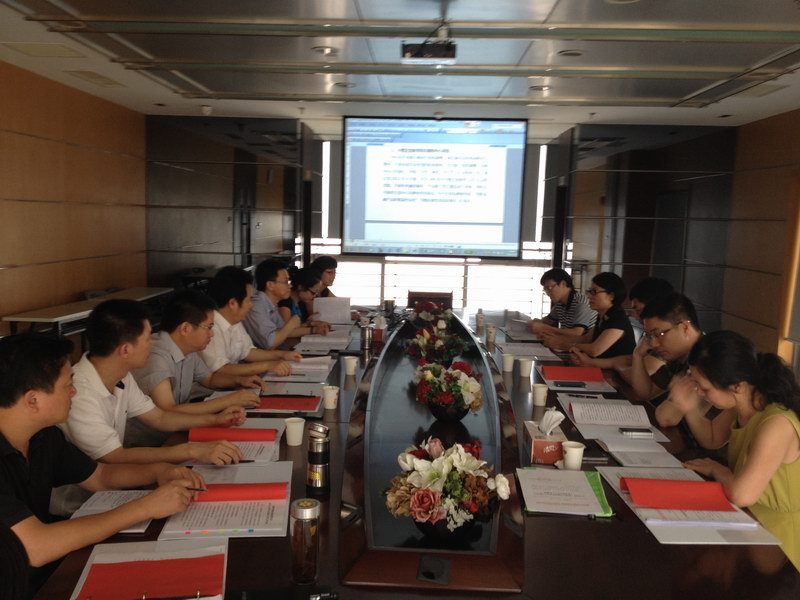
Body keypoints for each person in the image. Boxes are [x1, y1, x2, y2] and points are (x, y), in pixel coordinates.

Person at [0, 334, 203, 594]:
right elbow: (36, 547)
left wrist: (159, 470)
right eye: (68, 385)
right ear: (33, 400)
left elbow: (100, 475)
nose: (74, 391)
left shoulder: (44, 436)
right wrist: (146, 507)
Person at [62, 299, 246, 467]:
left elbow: (159, 418)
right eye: (147, 338)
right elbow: (114, 456)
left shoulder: (122, 376)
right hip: (85, 491)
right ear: (125, 350)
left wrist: (215, 420)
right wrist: (191, 450)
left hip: (116, 476)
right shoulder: (80, 394)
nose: (152, 343)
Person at [683, 331, 800, 570]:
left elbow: (742, 494)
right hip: (749, 522)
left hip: (780, 543)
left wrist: (719, 470)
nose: (699, 393)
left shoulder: (776, 423)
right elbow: (712, 439)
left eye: (705, 388)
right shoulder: (744, 403)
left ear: (736, 386)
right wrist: (689, 408)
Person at [125, 289, 264, 448]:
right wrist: (229, 400)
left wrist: (240, 381)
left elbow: (209, 379)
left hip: (177, 432)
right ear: (185, 328)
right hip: (148, 444)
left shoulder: (187, 349)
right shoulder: (156, 357)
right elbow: (168, 410)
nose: (212, 334)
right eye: (209, 327)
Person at [201, 266, 301, 376]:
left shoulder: (235, 320)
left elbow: (248, 352)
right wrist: (267, 365)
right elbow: (221, 369)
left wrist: (282, 355)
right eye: (249, 300)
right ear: (233, 303)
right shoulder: (211, 327)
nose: (251, 305)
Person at [570, 276, 674, 375]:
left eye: (639, 310)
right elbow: (628, 359)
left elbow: (595, 350)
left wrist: (572, 346)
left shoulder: (618, 318)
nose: (635, 316)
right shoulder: (649, 335)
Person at [567, 272, 635, 359]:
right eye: (589, 291)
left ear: (611, 296)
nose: (589, 296)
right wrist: (557, 340)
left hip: (616, 368)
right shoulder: (603, 315)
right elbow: (587, 339)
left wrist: (570, 346)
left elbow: (595, 350)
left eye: (594, 292)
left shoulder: (618, 318)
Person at [528, 268, 597, 349]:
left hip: (584, 348)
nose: (547, 293)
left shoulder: (581, 303)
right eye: (545, 290)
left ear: (563, 284)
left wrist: (545, 327)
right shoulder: (560, 303)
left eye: (549, 288)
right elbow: (547, 321)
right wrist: (535, 322)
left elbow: (576, 333)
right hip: (570, 347)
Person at [243, 260, 303, 349]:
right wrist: (291, 324)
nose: (290, 286)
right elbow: (270, 343)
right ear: (270, 285)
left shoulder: (272, 304)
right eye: (286, 282)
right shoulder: (257, 306)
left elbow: (282, 332)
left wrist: (312, 329)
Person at [277, 267, 331, 336]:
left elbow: (299, 325)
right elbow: (286, 332)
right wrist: (313, 329)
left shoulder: (301, 302)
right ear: (301, 287)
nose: (314, 296)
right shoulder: (284, 303)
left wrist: (312, 323)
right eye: (313, 293)